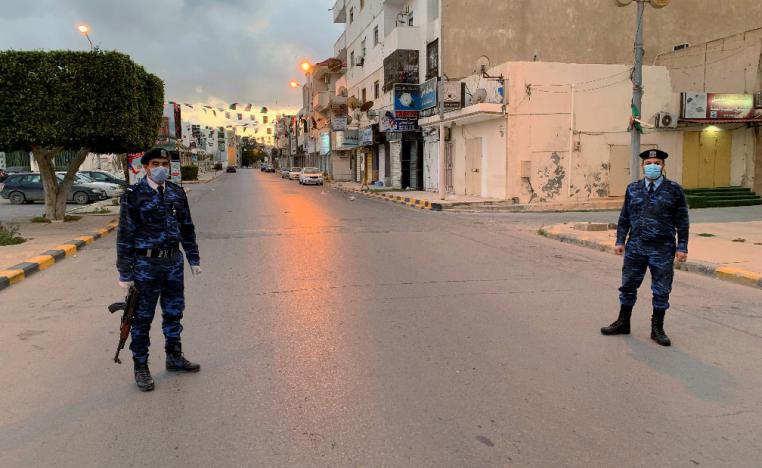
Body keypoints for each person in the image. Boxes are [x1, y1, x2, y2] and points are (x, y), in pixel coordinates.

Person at [116, 148, 202, 391]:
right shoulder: (133, 195)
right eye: (156, 163)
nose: (161, 167)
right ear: (145, 166)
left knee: (174, 312)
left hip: (173, 262)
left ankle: (174, 356)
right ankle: (141, 366)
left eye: (165, 163)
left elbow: (187, 228)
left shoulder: (176, 192)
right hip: (146, 266)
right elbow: (125, 235)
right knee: (142, 318)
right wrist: (125, 272)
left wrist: (193, 259)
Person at [601, 149, 689, 346]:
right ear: (642, 166)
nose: (653, 166)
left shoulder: (674, 190)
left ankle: (657, 328)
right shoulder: (633, 188)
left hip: (662, 248)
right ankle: (623, 322)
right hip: (636, 247)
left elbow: (682, 220)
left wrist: (682, 246)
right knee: (628, 285)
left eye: (657, 163)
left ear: (663, 166)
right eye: (649, 162)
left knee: (661, 289)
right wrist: (619, 241)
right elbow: (624, 217)